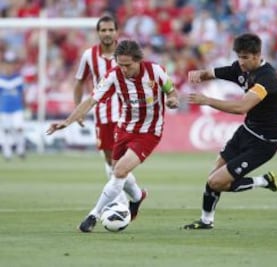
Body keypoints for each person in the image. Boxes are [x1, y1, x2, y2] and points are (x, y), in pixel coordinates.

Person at [46, 40, 179, 232]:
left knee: (119, 171)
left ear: (138, 60)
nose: (123, 69)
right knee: (117, 168)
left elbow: (172, 92)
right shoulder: (113, 75)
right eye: (120, 64)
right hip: (124, 128)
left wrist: (173, 100)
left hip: (149, 131)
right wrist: (67, 121)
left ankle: (93, 215)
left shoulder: (156, 71)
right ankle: (138, 196)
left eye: (128, 65)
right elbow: (91, 101)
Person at [183, 33, 277, 230]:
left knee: (216, 181)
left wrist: (208, 100)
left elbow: (241, 108)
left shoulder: (267, 79)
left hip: (264, 142)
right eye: (239, 56)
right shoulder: (240, 68)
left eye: (246, 57)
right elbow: (212, 73)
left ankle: (262, 182)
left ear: (258, 55)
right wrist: (199, 73)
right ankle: (206, 221)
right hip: (247, 131)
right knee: (213, 177)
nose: (241, 62)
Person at [74, 15, 142, 209]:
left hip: (127, 114)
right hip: (102, 114)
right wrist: (78, 108)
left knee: (120, 161)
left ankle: (119, 202)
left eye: (110, 30)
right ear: (98, 33)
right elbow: (79, 81)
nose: (107, 33)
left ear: (116, 31)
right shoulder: (89, 55)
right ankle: (136, 195)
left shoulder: (128, 53)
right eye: (103, 30)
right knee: (110, 161)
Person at [0, 50, 26, 160]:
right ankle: (7, 152)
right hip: (4, 109)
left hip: (17, 108)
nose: (10, 66)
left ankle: (20, 149)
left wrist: (25, 105)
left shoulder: (18, 78)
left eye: (12, 64)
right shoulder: (1, 79)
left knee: (18, 127)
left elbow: (22, 93)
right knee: (6, 129)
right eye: (8, 63)